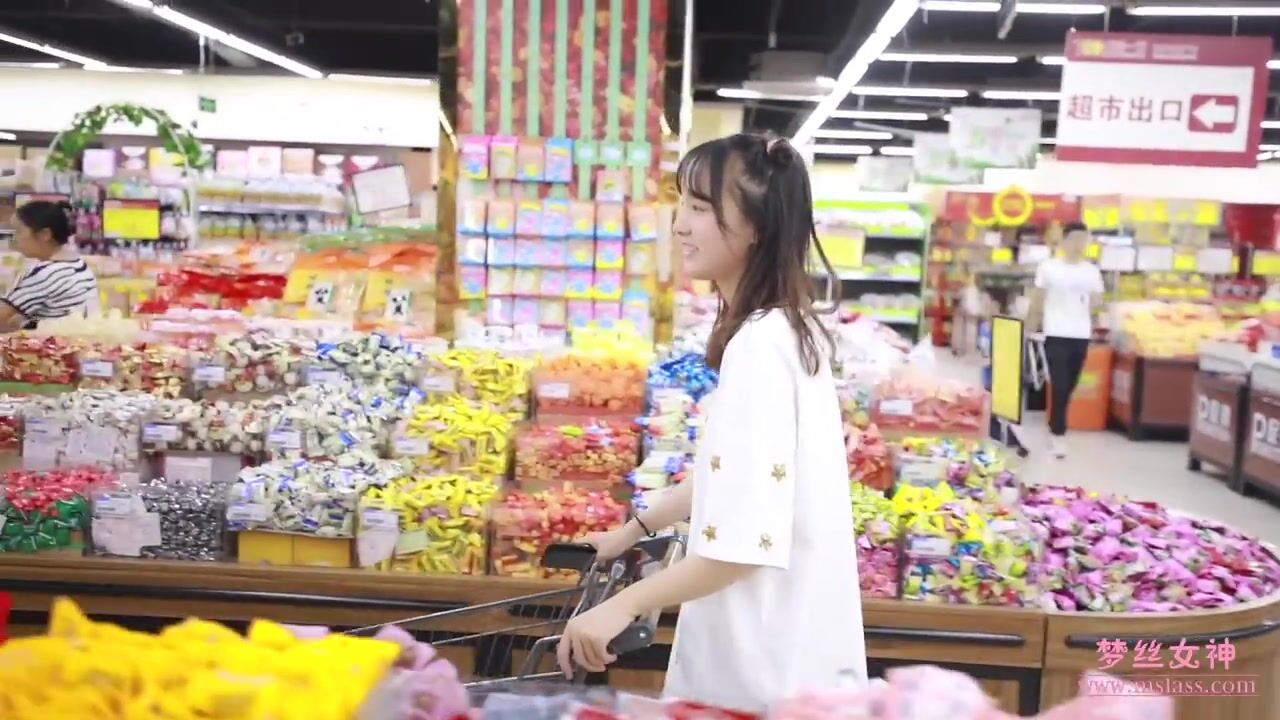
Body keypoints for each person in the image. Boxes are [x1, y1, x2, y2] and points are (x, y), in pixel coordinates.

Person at [555, 134, 866, 711]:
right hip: (792, 658)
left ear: (755, 228)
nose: (679, 225)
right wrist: (633, 531)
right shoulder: (787, 330)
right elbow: (736, 479)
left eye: (699, 208)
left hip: (760, 668)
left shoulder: (759, 347)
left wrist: (621, 605)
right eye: (682, 204)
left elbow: (739, 548)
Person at [1026, 221, 1103, 459]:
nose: (1080, 244)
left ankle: (1054, 423)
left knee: (1070, 385)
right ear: (1065, 241)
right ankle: (1058, 435)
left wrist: (1096, 310)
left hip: (1081, 334)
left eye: (1084, 240)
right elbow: (1038, 300)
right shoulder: (1049, 268)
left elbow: (1097, 302)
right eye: (1076, 239)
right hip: (1055, 332)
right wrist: (1029, 327)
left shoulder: (1091, 271)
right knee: (1059, 384)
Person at [0, 201, 97, 332]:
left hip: (53, 342)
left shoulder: (43, 273)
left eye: (19, 231)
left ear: (45, 235)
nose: (14, 238)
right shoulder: (78, 264)